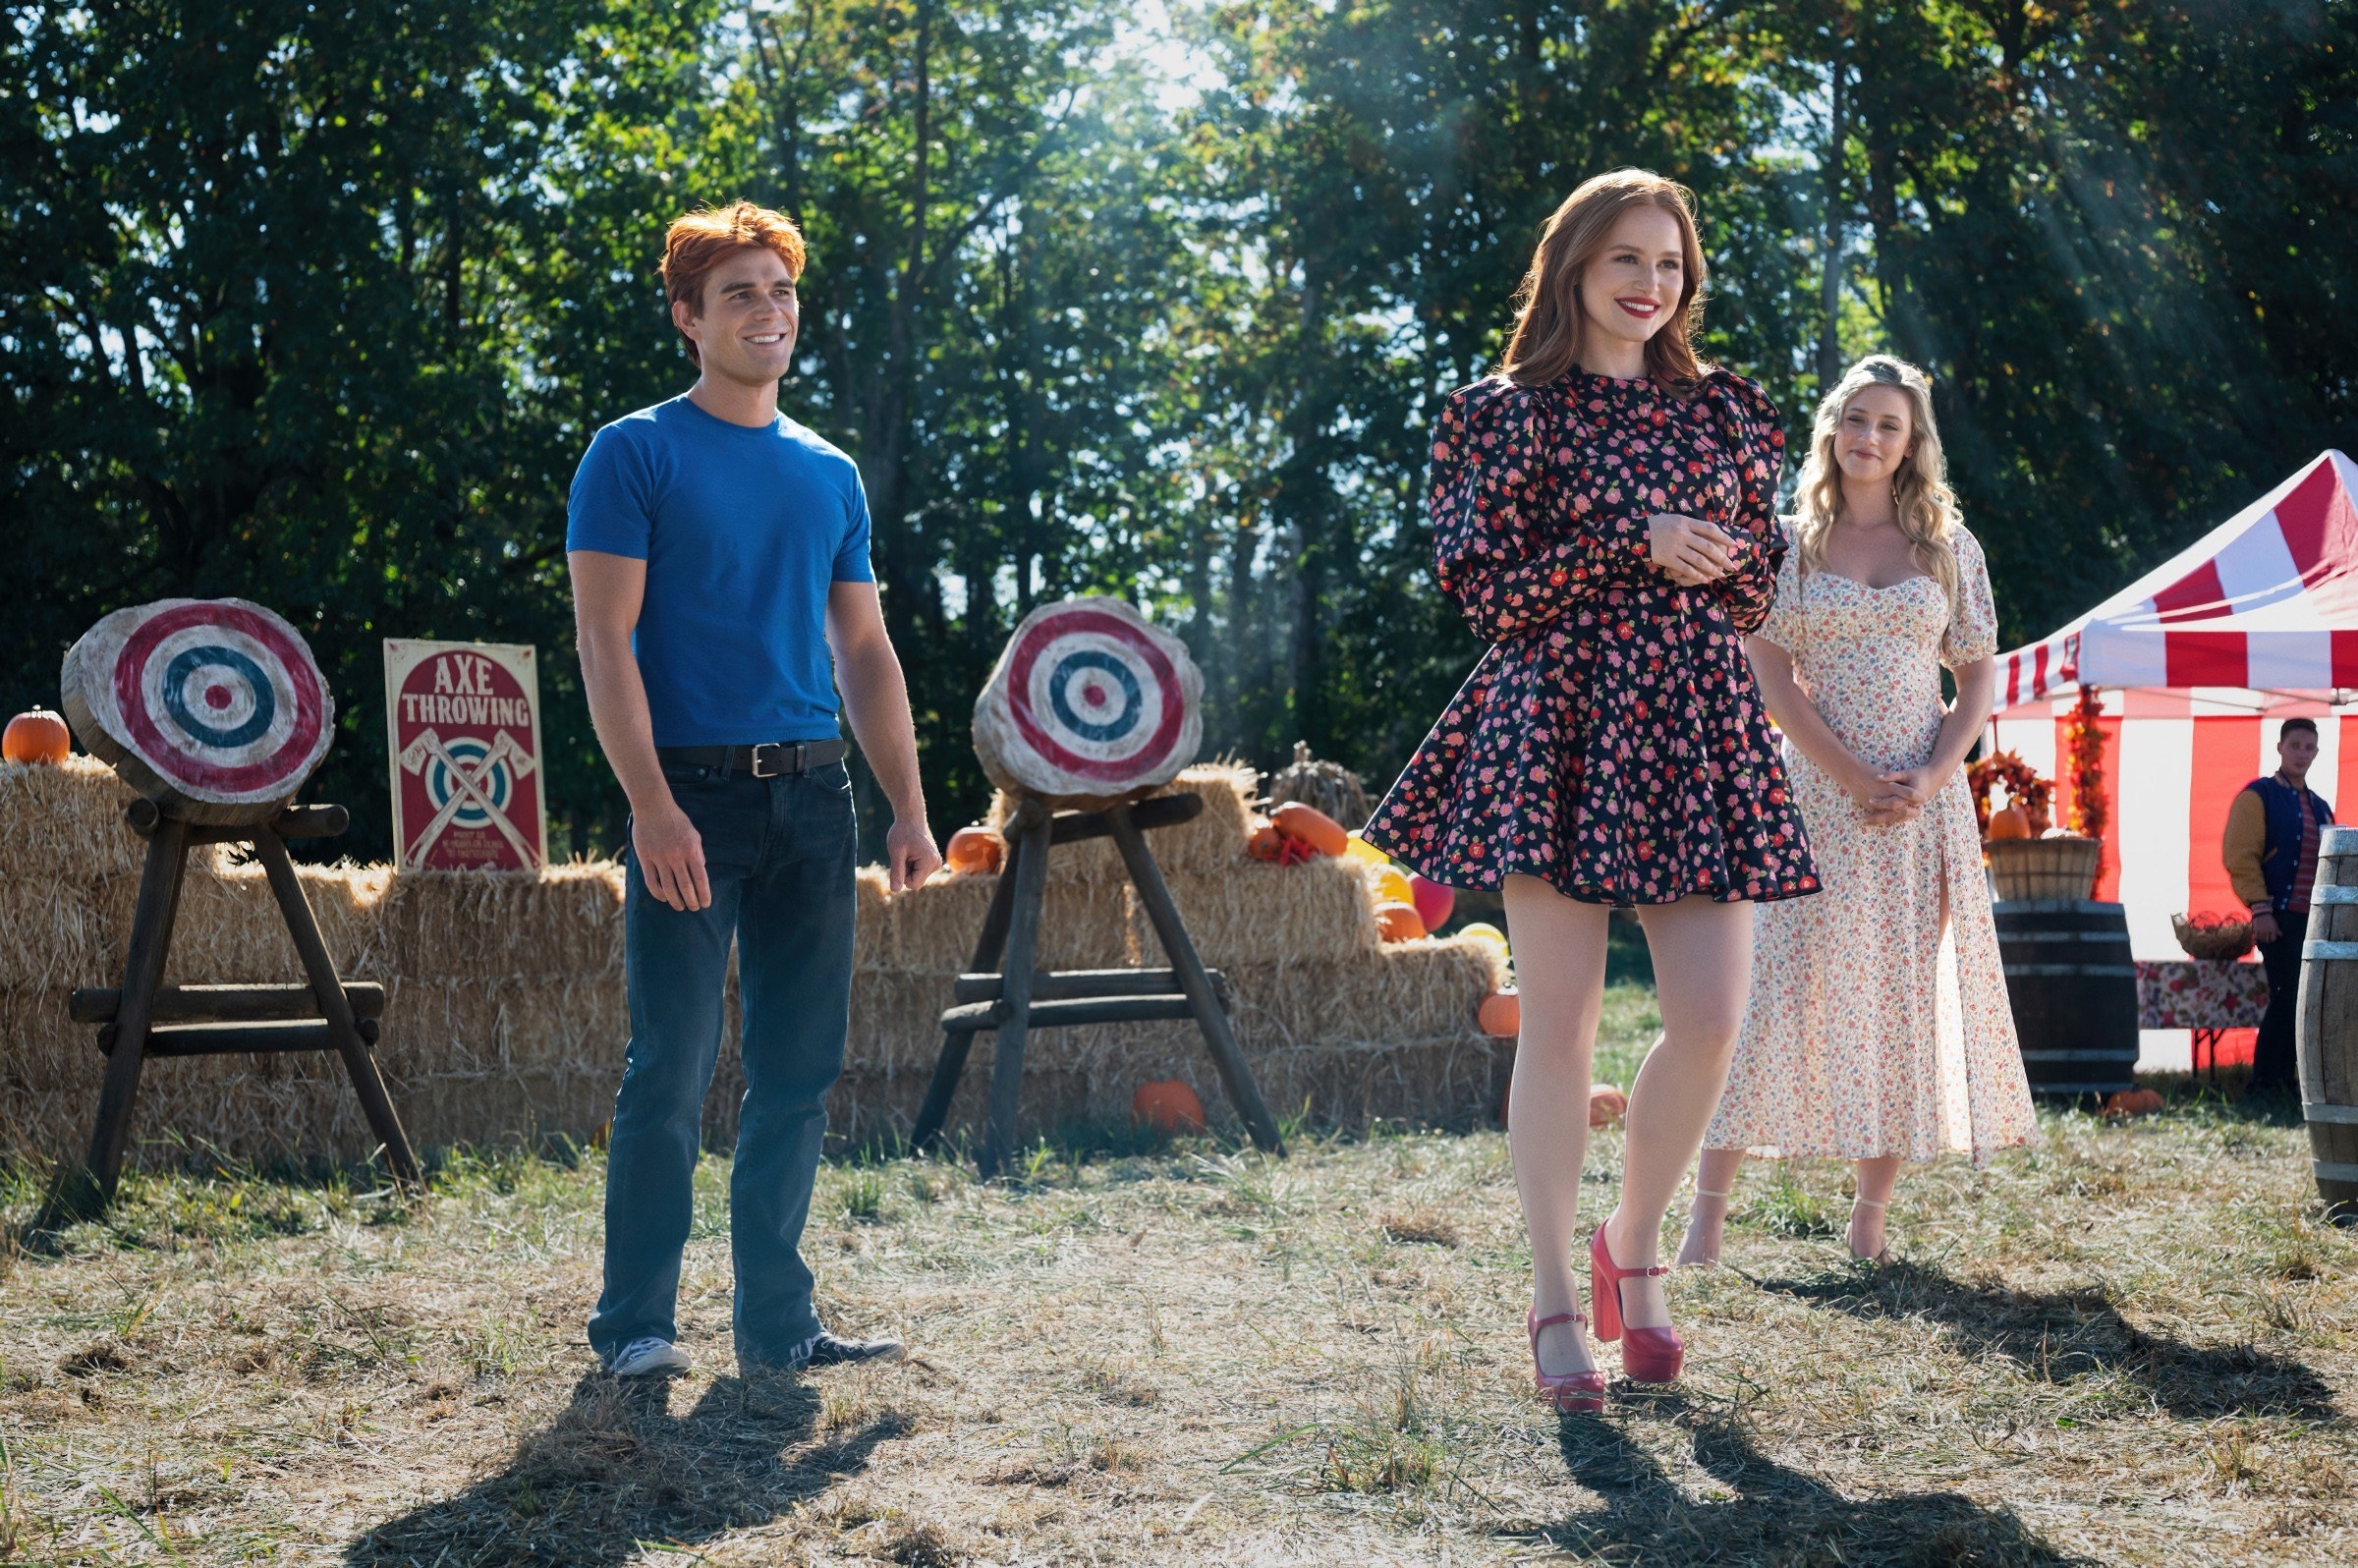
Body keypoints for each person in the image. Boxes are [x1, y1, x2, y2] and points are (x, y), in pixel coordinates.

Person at [1362, 169, 1819, 1411]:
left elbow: (1759, 586)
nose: (1649, 284)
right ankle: (1559, 1296)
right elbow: (1486, 591)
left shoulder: (1727, 411)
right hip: (1557, 720)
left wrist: (1716, 559)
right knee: (1556, 1025)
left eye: (1669, 265)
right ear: (1573, 265)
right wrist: (1633, 541)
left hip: (1696, 720)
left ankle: (1635, 1242)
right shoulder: (1503, 413)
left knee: (1713, 1017)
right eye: (1625, 258)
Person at [568, 202, 942, 1378]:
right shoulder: (634, 452)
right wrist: (652, 804)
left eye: (779, 293)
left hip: (814, 802)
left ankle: (779, 1331)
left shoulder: (828, 474)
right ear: (688, 316)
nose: (766, 312)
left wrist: (911, 806)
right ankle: (636, 1328)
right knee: (669, 1066)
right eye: (738, 294)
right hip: (691, 799)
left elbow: (865, 651)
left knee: (796, 1074)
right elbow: (605, 642)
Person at [1676, 355, 2037, 1270]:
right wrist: (1845, 774)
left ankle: (1870, 1216)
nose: (1870, 438)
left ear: (1912, 443)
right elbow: (1769, 676)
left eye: (1890, 425)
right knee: (1769, 997)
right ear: (1832, 429)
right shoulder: (1786, 541)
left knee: (1902, 1000)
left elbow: (1977, 674)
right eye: (1857, 420)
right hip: (1817, 801)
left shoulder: (1949, 546)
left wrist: (1929, 773)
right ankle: (1704, 1221)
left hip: (1922, 807)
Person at [2224, 718, 2333, 1099]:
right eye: (2295, 745)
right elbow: (2241, 856)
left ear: (2316, 753)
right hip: (2278, 917)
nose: (2301, 753)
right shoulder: (2258, 796)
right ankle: (2264, 1083)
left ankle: (2288, 1082)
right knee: (2287, 996)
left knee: (2306, 1002)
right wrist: (2261, 909)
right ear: (2280, 747)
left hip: (2313, 922)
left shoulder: (2320, 807)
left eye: (2308, 748)